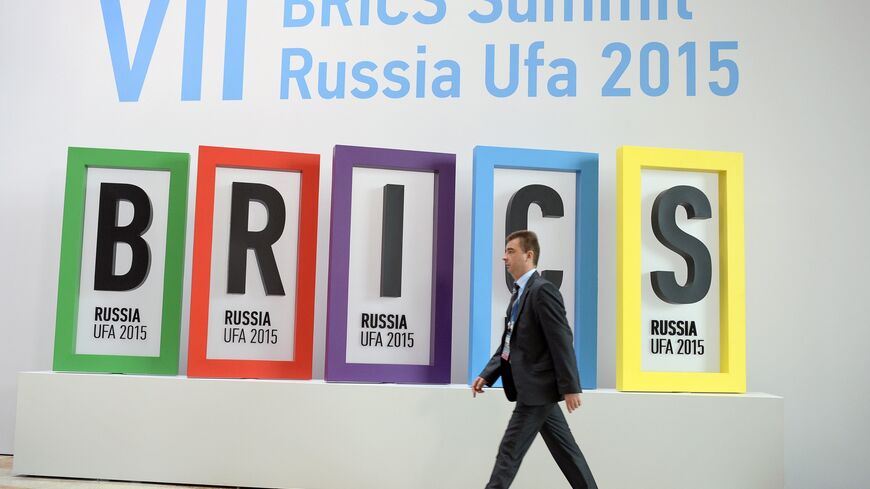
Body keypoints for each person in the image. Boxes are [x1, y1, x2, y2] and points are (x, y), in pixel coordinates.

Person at [472, 230, 598, 489]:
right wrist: (488, 373)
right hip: (536, 390)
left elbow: (561, 339)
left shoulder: (543, 291)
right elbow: (509, 343)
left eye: (511, 251)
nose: (504, 257)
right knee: (568, 454)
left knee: (508, 453)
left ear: (529, 256)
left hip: (536, 390)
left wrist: (571, 386)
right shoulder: (519, 294)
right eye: (505, 251)